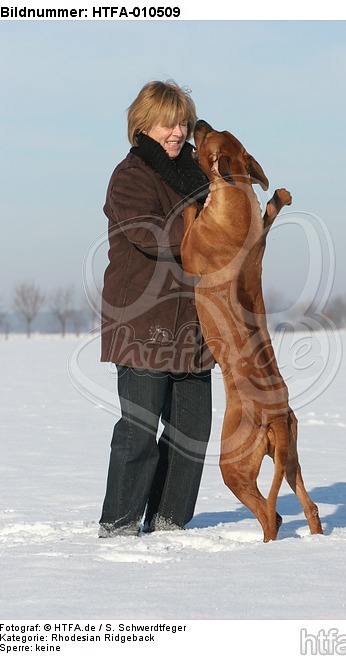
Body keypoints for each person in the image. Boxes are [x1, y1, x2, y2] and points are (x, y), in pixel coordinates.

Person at [99, 80, 214, 537]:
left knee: (193, 432)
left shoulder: (199, 175)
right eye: (169, 122)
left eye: (183, 122)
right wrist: (211, 237)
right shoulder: (130, 176)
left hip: (194, 322)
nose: (178, 131)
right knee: (140, 430)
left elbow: (225, 222)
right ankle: (120, 525)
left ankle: (170, 523)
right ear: (144, 126)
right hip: (142, 322)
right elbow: (150, 234)